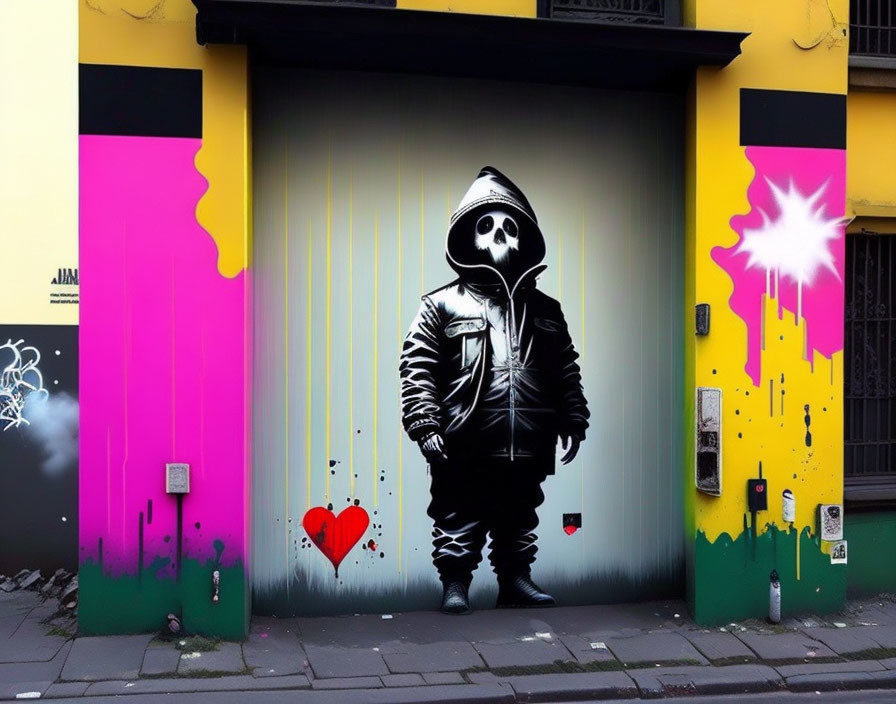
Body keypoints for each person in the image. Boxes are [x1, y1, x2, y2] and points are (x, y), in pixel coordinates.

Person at [399, 166, 589, 614]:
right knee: (456, 512)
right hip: (464, 437)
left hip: (526, 437)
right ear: (469, 238)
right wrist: (425, 421)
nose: (499, 235)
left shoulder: (546, 310)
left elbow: (565, 366)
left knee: (520, 512)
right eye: (486, 226)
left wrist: (574, 417)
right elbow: (417, 366)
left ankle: (515, 579)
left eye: (510, 226)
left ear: (525, 239)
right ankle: (455, 583)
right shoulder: (440, 305)